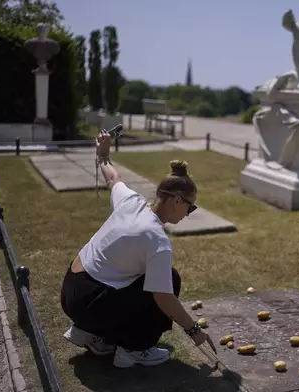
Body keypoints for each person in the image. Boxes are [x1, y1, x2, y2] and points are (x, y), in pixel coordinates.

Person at [60, 130, 216, 368]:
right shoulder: (158, 241)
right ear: (177, 200)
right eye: (190, 207)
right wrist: (194, 330)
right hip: (89, 302)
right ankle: (134, 349)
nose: (188, 214)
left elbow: (113, 178)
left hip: (69, 291)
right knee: (169, 280)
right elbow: (163, 297)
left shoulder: (131, 200)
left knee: (137, 276)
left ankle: (88, 331)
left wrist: (103, 155)